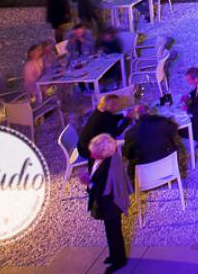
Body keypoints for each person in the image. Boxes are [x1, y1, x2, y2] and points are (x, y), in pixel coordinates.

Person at [86, 133, 131, 270]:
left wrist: (88, 183)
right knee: (111, 231)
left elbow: (101, 188)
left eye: (95, 153)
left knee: (114, 232)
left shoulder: (108, 166)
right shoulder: (111, 159)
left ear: (104, 152)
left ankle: (119, 259)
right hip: (111, 203)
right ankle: (114, 255)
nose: (93, 155)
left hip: (111, 204)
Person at [78, 94, 129, 160]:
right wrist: (128, 119)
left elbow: (112, 118)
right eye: (115, 104)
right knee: (121, 141)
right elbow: (117, 132)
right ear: (107, 105)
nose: (117, 106)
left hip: (82, 145)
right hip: (87, 150)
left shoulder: (100, 111)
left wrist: (123, 116)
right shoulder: (104, 118)